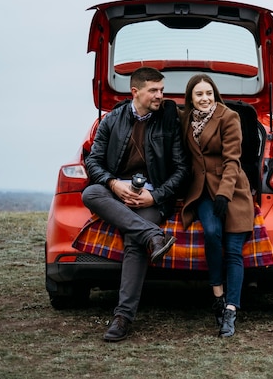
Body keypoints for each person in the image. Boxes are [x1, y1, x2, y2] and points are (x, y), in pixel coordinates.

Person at [82, 66, 188, 342]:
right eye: (154, 90)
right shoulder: (111, 120)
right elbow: (92, 161)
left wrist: (155, 196)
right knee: (91, 193)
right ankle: (153, 235)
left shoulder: (169, 119)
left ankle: (122, 317)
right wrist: (114, 184)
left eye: (161, 90)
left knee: (134, 241)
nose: (160, 95)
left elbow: (181, 169)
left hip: (152, 196)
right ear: (135, 92)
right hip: (117, 191)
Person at [180, 74, 254, 337]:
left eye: (209, 93)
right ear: (190, 98)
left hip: (232, 190)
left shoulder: (228, 117)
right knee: (211, 234)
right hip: (201, 192)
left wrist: (224, 194)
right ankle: (218, 298)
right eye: (199, 94)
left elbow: (233, 159)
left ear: (215, 94)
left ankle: (231, 311)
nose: (205, 98)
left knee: (234, 250)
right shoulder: (185, 119)